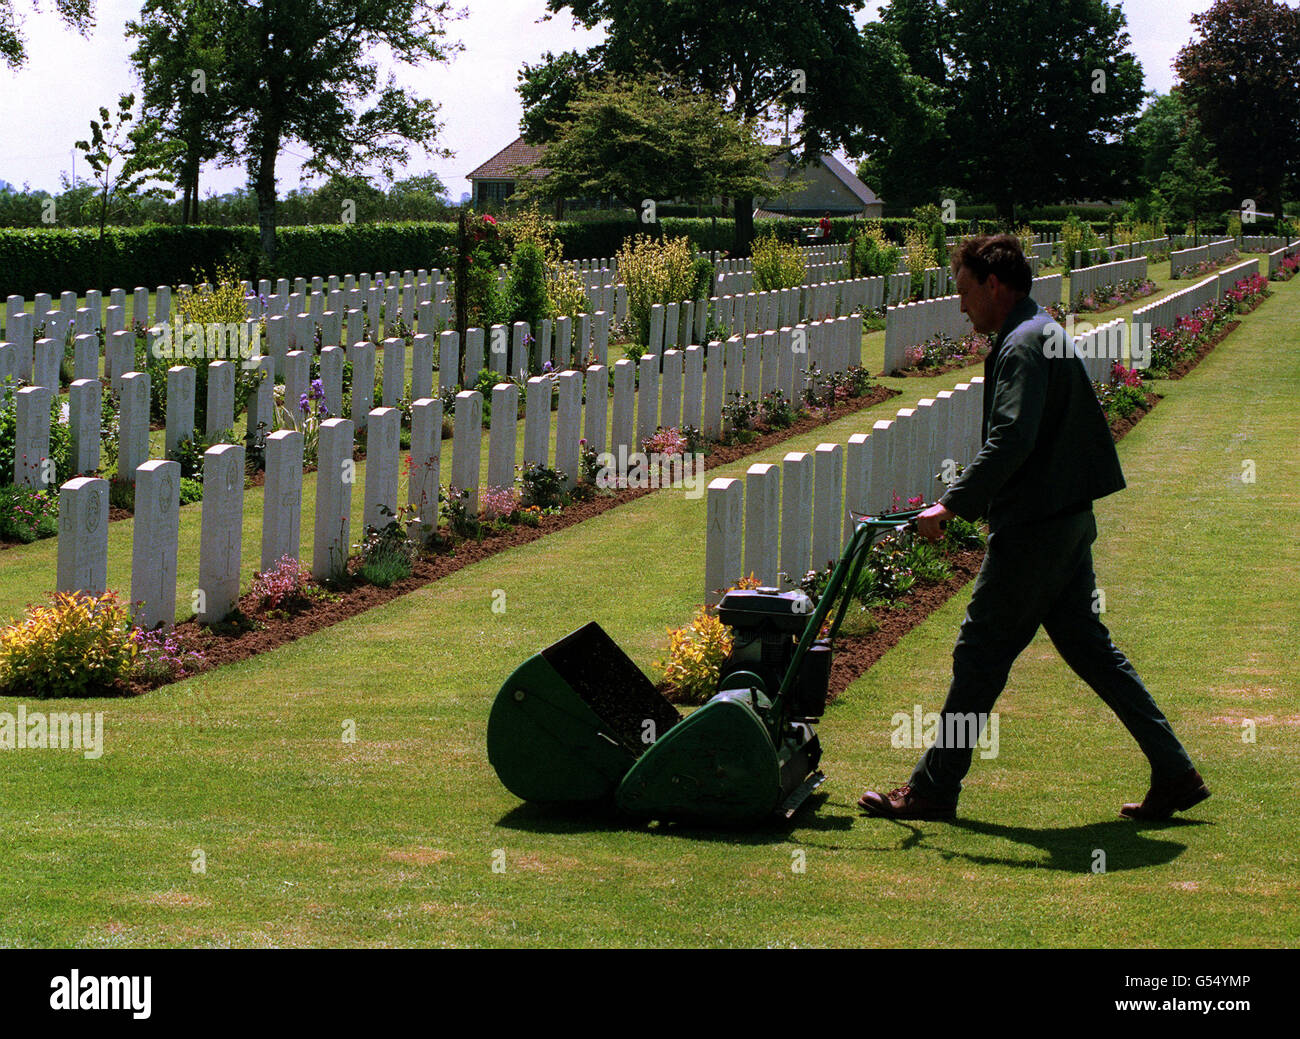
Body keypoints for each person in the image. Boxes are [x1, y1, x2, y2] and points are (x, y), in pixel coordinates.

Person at [858, 235, 1208, 823]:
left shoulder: (1022, 344)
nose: (962, 306)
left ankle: (934, 788)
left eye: (966, 291)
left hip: (1035, 526)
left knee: (980, 653)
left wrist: (953, 504)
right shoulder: (1041, 328)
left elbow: (1012, 437)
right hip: (1067, 517)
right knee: (1090, 650)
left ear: (994, 284)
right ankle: (1174, 771)